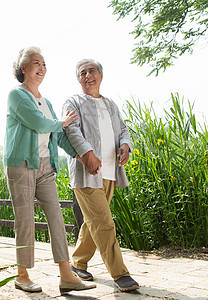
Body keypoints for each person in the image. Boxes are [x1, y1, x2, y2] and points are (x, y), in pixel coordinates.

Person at [4, 47, 96, 295]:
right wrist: (62, 122)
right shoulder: (17, 96)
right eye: (36, 63)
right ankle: (22, 275)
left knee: (56, 216)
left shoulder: (47, 102)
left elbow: (58, 134)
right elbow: (37, 122)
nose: (42, 67)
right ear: (24, 68)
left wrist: (81, 155)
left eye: (44, 63)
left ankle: (66, 275)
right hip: (20, 164)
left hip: (46, 166)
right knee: (25, 219)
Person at [62, 59, 140, 292]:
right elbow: (70, 130)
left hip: (110, 172)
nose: (87, 76)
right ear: (79, 79)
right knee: (104, 223)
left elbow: (123, 130)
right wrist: (87, 154)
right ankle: (120, 274)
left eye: (91, 71)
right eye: (82, 73)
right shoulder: (73, 101)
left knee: (92, 222)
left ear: (101, 74)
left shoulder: (110, 105)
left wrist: (126, 145)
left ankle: (78, 263)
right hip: (86, 172)